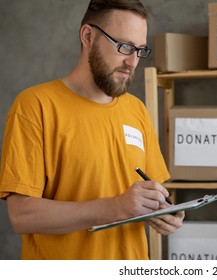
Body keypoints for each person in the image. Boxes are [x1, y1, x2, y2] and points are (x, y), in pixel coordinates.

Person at [0, 0, 185, 260]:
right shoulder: (35, 105)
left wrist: (162, 211)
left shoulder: (136, 110)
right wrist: (115, 207)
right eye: (124, 46)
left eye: (140, 50)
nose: (132, 62)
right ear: (88, 36)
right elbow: (22, 216)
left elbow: (148, 191)